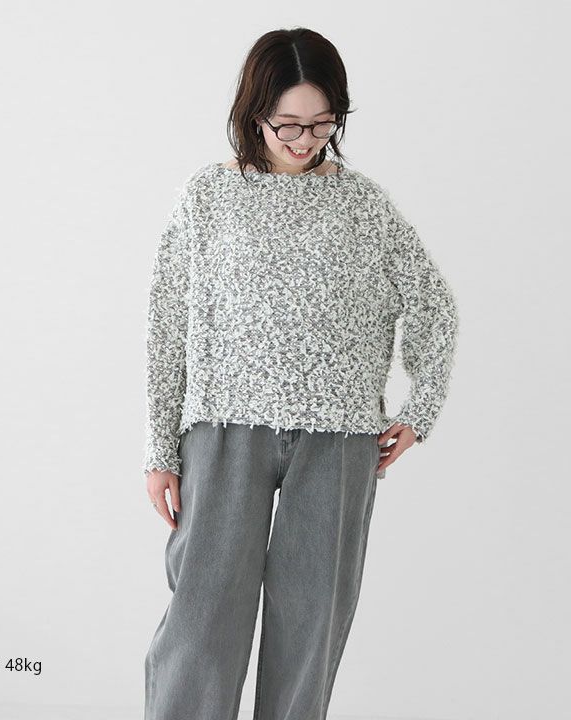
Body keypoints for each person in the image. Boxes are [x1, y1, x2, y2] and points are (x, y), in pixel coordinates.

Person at [142, 27, 459, 720]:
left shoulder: (364, 206)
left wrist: (421, 409)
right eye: (288, 123)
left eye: (322, 123)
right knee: (201, 627)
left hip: (340, 442)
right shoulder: (208, 196)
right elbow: (167, 325)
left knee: (310, 632)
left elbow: (433, 305)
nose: (305, 139)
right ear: (254, 111)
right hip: (224, 431)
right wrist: (160, 449)